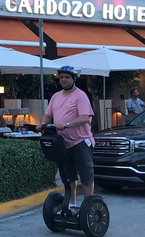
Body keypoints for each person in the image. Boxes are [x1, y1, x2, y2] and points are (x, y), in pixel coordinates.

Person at [36, 66, 95, 214]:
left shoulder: (80, 96)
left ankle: (89, 208)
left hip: (80, 142)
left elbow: (84, 117)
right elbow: (48, 114)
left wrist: (66, 124)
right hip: (62, 144)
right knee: (69, 177)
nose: (63, 80)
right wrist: (42, 124)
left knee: (86, 176)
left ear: (74, 79)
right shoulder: (56, 96)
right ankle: (71, 206)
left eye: (67, 77)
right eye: (61, 77)